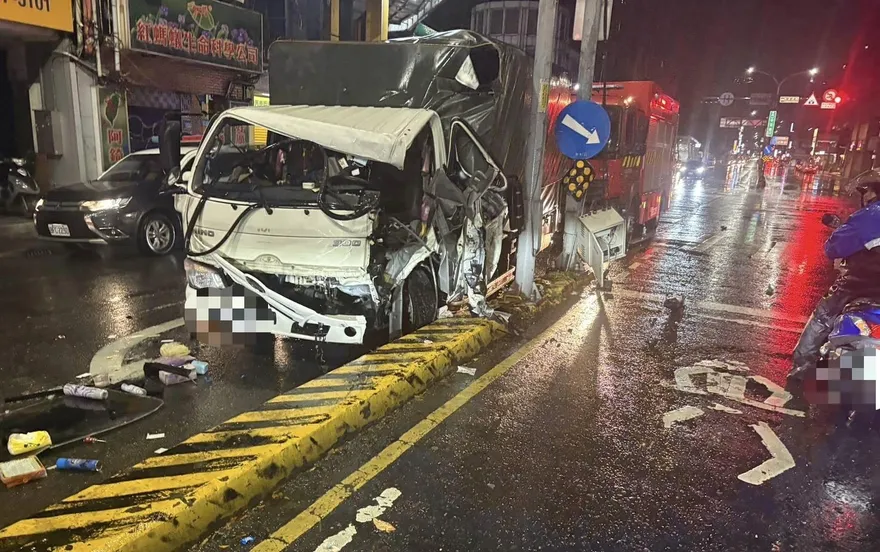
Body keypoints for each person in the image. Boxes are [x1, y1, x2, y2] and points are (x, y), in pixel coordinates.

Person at [789, 175, 880, 381]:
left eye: (865, 190)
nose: (864, 195)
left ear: (873, 192)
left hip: (861, 284)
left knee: (822, 318)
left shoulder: (869, 215)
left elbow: (833, 248)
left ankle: (802, 371)